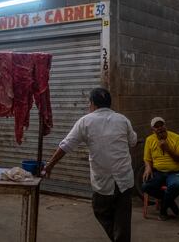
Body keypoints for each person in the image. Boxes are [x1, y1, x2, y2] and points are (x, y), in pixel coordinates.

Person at [43, 87, 137, 242]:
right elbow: (133, 141)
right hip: (125, 178)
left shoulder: (85, 121)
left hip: (104, 180)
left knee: (100, 209)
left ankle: (118, 238)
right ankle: (120, 238)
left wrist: (50, 165)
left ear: (92, 103)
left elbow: (65, 146)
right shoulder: (123, 119)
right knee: (123, 218)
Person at [141, 117, 179, 221]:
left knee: (176, 185)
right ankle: (169, 201)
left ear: (165, 126)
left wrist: (167, 149)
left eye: (161, 125)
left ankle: (163, 210)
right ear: (153, 130)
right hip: (158, 172)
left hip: (175, 172)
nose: (159, 128)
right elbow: (147, 159)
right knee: (145, 186)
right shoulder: (150, 140)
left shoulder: (176, 138)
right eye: (156, 127)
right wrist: (148, 168)